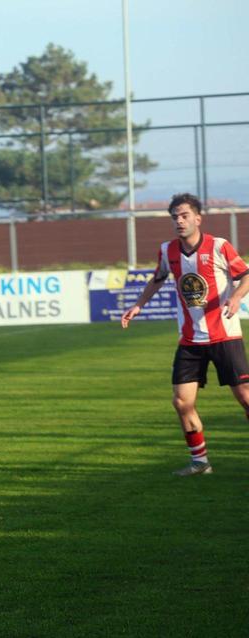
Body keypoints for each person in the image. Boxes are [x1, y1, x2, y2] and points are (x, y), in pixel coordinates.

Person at [121, 192, 249, 475]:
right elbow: (157, 278)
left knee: (246, 398)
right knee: (182, 402)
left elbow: (245, 275)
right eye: (174, 217)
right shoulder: (168, 250)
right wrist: (138, 305)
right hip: (190, 340)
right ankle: (200, 463)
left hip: (225, 335)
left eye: (184, 216)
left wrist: (237, 297)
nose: (179, 221)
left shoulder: (219, 246)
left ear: (198, 218)